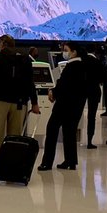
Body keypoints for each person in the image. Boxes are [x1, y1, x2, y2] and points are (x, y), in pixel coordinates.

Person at [0, 34, 39, 176]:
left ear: (2, 44)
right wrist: (35, 103)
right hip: (19, 103)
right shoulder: (24, 58)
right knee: (15, 137)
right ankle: (12, 168)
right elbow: (30, 83)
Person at [38, 42, 90, 171]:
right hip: (77, 104)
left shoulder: (71, 67)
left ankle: (47, 162)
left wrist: (53, 92)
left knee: (52, 130)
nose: (64, 53)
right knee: (70, 132)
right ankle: (70, 161)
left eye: (66, 50)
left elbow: (64, 85)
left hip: (64, 105)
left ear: (74, 52)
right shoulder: (84, 66)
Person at [79, 45, 107, 149]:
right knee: (92, 116)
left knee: (77, 113)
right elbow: (103, 77)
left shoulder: (81, 62)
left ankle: (73, 137)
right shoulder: (98, 63)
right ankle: (90, 141)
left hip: (81, 90)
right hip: (94, 90)